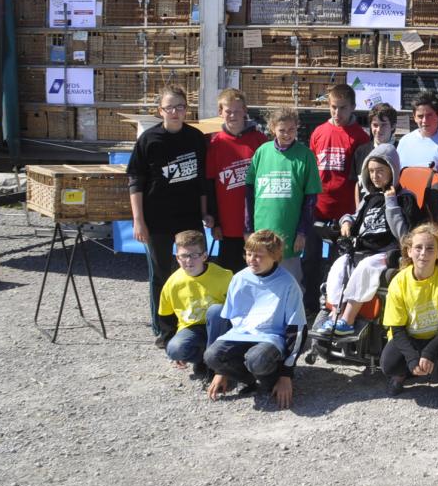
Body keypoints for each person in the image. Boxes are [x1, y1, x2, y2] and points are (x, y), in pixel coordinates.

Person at [127, 85, 210, 347]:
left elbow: (202, 182)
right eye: (169, 107)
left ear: (187, 109)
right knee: (162, 275)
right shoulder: (149, 140)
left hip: (188, 218)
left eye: (180, 107)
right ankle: (164, 328)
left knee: (194, 270)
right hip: (157, 218)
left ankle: (195, 323)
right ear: (160, 110)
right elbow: (135, 180)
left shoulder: (196, 138)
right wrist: (138, 220)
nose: (175, 112)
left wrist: (206, 212)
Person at [316, 143, 418, 337]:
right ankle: (335, 314)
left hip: (387, 251)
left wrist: (391, 203)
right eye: (371, 171)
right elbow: (354, 216)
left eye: (380, 171)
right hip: (361, 249)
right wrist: (346, 221)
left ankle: (348, 319)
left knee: (365, 268)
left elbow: (405, 235)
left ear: (393, 171)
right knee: (338, 267)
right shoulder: (369, 197)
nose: (374, 176)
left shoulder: (405, 199)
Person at [204, 230, 306, 410]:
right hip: (240, 334)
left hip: (270, 339)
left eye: (259, 256)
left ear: (275, 256)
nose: (252, 259)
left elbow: (297, 329)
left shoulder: (288, 283)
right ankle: (250, 379)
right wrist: (221, 371)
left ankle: (270, 379)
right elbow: (228, 320)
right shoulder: (239, 278)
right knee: (211, 356)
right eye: (249, 254)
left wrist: (286, 375)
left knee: (256, 359)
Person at [305, 85, 372, 318]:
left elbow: (361, 180)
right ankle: (310, 305)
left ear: (353, 107)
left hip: (345, 212)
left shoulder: (360, 137)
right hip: (319, 207)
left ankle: (334, 307)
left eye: (343, 108)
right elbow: (312, 170)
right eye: (333, 107)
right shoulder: (319, 132)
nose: (337, 113)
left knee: (340, 264)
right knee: (310, 260)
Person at [380, 224, 438, 395]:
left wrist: (428, 353)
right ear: (409, 251)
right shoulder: (399, 281)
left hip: (437, 335)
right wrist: (412, 358)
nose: (423, 253)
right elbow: (396, 329)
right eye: (418, 247)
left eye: (430, 248)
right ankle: (402, 374)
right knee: (388, 364)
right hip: (409, 336)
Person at [247, 107, 322, 286]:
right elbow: (249, 194)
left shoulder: (306, 156)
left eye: (291, 130)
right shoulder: (261, 152)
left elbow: (310, 200)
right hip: (261, 233)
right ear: (272, 128)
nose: (287, 134)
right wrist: (248, 228)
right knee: (261, 283)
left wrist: (302, 233)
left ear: (297, 127)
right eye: (282, 130)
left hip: (289, 237)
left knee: (290, 284)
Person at [205, 88, 267, 273]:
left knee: (258, 270)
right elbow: (210, 184)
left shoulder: (259, 139)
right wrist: (215, 221)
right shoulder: (216, 144)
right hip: (228, 224)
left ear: (245, 110)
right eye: (228, 111)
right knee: (229, 274)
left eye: (237, 110)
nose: (233, 115)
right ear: (220, 112)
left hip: (256, 221)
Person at [157, 229, 232, 377]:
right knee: (174, 349)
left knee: (216, 310)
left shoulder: (224, 276)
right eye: (184, 256)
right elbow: (166, 318)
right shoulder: (172, 283)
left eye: (194, 255)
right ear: (177, 258)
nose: (189, 261)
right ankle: (203, 359)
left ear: (204, 256)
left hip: (219, 327)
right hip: (192, 329)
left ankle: (219, 363)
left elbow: (238, 309)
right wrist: (170, 346)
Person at [397, 91, 438, 188]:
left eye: (429, 115)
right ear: (414, 117)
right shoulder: (404, 141)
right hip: (407, 200)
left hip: (436, 201)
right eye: (420, 116)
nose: (424, 121)